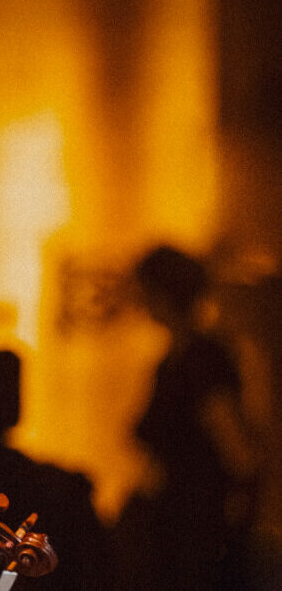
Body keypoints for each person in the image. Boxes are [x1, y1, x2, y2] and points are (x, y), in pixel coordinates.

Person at [116, 245, 261, 591]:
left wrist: (232, 526)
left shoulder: (201, 361)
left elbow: (237, 450)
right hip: (180, 523)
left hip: (194, 527)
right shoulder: (177, 359)